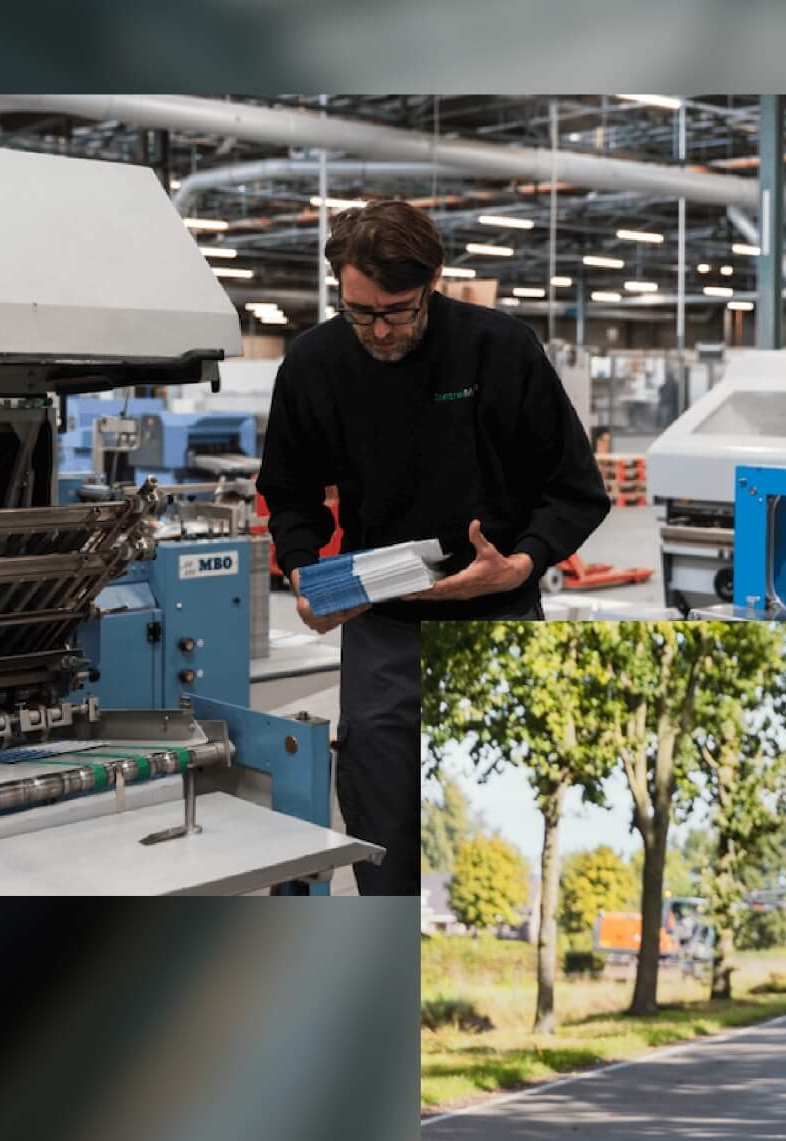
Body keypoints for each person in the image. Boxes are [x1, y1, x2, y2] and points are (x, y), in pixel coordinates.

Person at [256, 201, 611, 897]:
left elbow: (575, 488)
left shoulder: (500, 349)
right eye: (362, 313)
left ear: (434, 282)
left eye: (399, 311)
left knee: (501, 829)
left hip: (497, 623)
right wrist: (303, 572)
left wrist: (523, 561)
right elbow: (289, 493)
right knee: (383, 833)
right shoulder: (315, 362)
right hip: (382, 631)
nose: (381, 330)